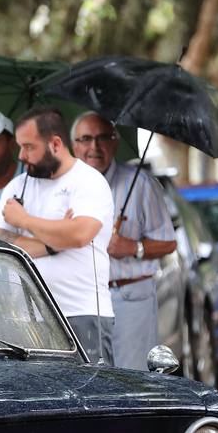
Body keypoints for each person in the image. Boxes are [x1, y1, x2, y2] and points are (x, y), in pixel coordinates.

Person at [0, 106, 114, 363]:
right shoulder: (18, 186)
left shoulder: (88, 181)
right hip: (25, 316)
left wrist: (23, 220)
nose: (22, 155)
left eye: (29, 147)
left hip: (80, 312)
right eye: (20, 146)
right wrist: (54, 243)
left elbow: (80, 233)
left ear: (55, 144)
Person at [70, 111, 177, 369]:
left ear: (115, 142)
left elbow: (168, 242)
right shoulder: (66, 186)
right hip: (81, 299)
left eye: (102, 138)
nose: (93, 147)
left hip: (129, 297)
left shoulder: (140, 184)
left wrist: (133, 247)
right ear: (73, 145)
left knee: (133, 378)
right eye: (85, 139)